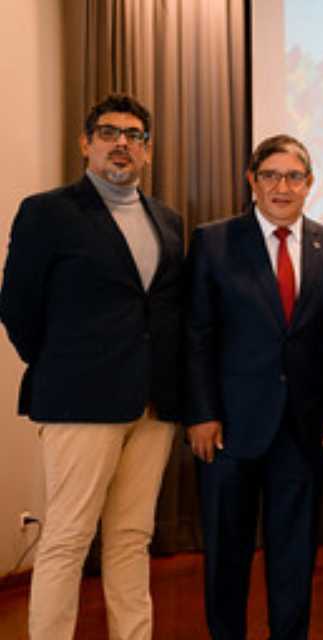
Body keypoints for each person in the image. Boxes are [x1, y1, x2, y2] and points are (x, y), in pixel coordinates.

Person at [0, 94, 183, 640]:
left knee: (131, 537)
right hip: (79, 401)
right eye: (108, 132)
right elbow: (16, 306)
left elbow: (166, 311)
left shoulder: (168, 221)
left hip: (152, 405)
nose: (121, 143)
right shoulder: (47, 212)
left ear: (148, 151)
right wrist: (64, 366)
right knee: (68, 539)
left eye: (134, 135)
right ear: (86, 144)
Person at [184, 134, 323, 640]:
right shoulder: (214, 241)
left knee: (295, 556)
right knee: (226, 553)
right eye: (271, 175)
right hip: (228, 427)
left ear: (310, 184)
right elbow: (197, 334)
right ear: (251, 181)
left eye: (294, 176)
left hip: (301, 428)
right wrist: (201, 414)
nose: (282, 186)